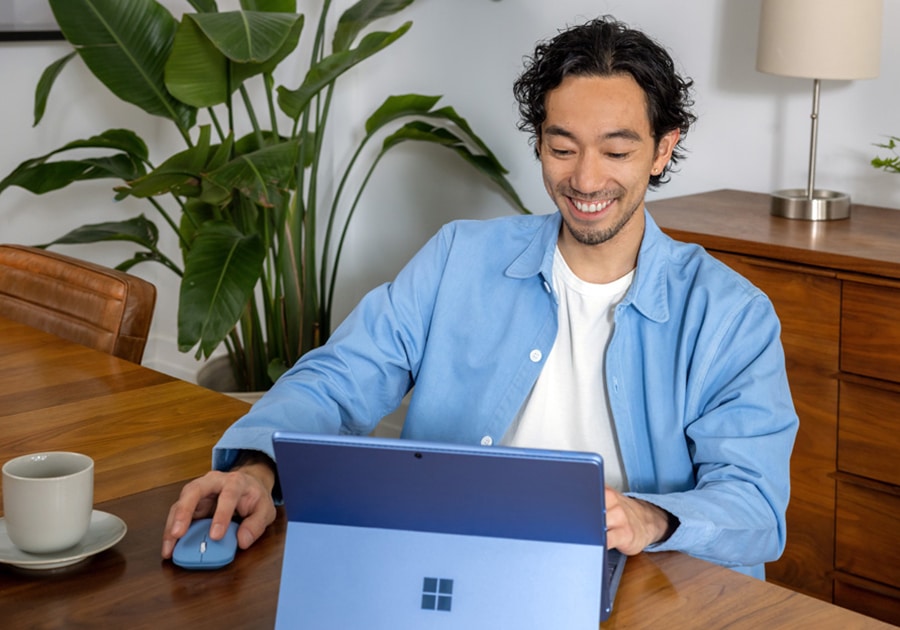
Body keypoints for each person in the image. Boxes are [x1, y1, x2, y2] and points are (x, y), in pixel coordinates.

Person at [162, 16, 798, 579]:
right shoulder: (457, 258)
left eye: (617, 150)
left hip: (640, 583)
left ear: (663, 148)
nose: (585, 178)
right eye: (561, 147)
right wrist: (255, 465)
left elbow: (754, 504)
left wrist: (649, 518)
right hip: (456, 566)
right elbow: (340, 376)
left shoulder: (730, 315)